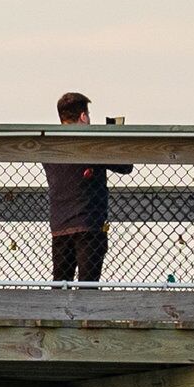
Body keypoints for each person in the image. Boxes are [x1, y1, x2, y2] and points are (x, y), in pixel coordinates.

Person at [44, 90, 133, 282]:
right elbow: (126, 165)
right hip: (89, 225)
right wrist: (115, 136)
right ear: (83, 116)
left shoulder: (51, 146)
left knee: (60, 285)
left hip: (60, 225)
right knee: (88, 286)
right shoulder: (91, 145)